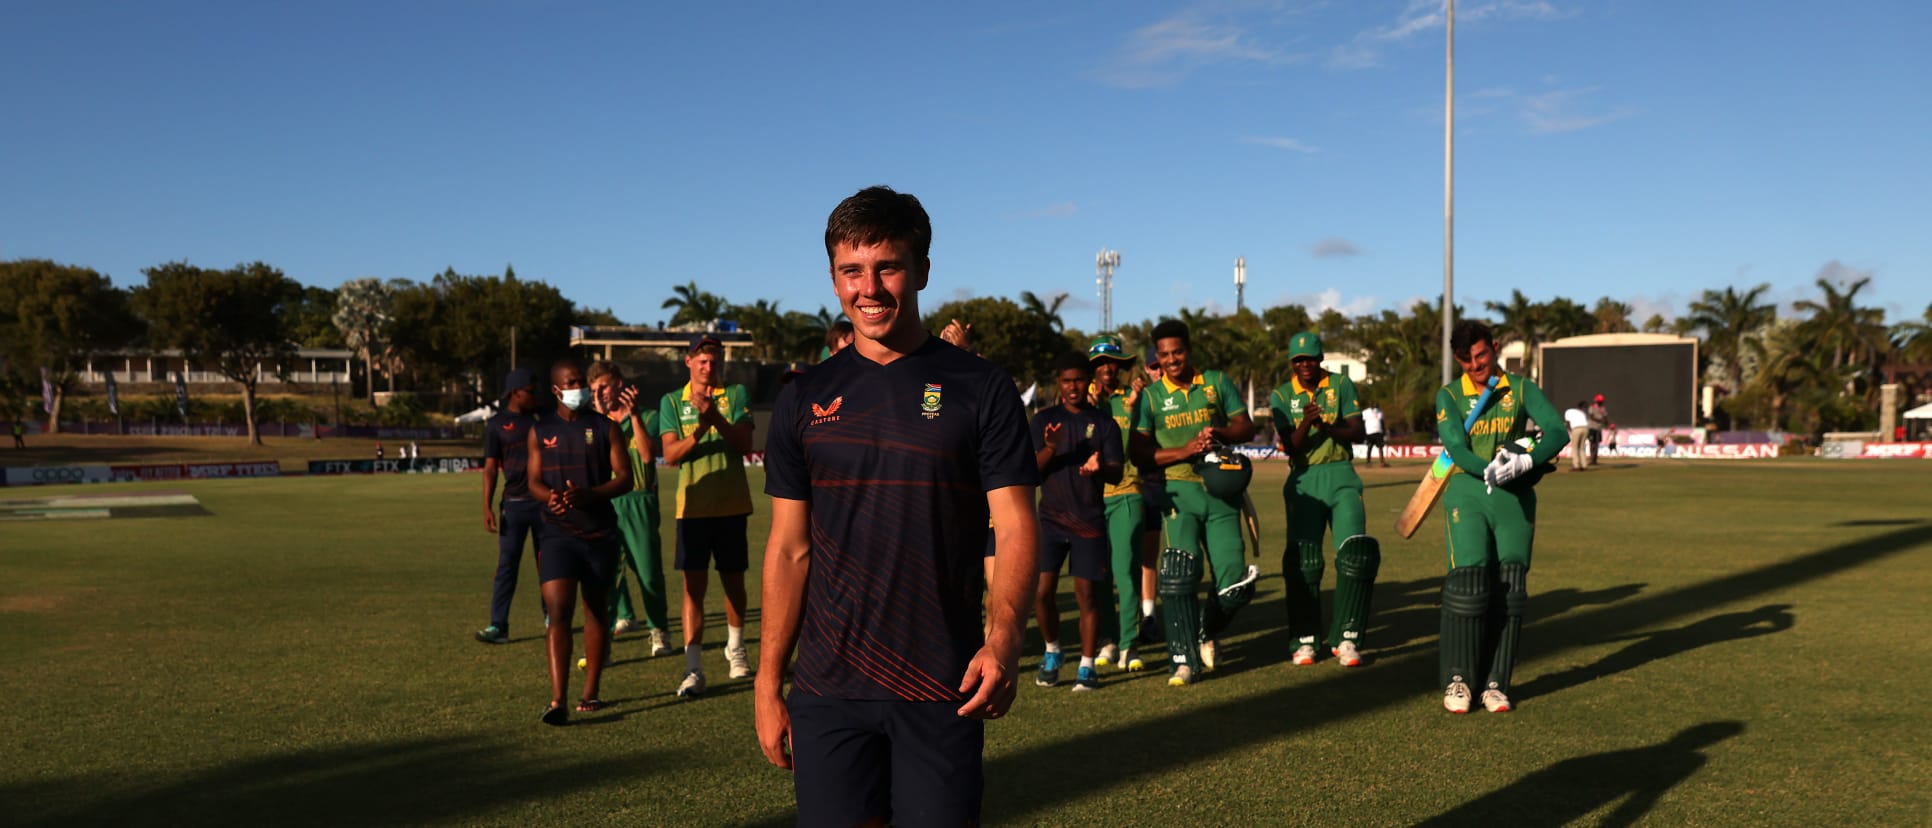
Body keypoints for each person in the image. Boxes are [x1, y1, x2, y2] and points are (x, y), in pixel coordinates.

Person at [756, 186, 1038, 826]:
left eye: (887, 266)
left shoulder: (979, 387)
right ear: (833, 279)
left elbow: (1017, 523)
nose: (870, 288)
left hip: (944, 683)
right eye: (851, 271)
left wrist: (1004, 637)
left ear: (922, 271)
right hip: (829, 690)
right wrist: (768, 682)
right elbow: (788, 548)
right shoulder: (804, 399)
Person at [1433, 320, 1565, 714]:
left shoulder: (1521, 388)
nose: (1476, 366)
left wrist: (1525, 460)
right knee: (1469, 581)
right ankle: (1458, 680)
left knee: (1510, 588)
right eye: (1466, 360)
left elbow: (1557, 432)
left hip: (1515, 492)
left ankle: (1495, 683)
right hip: (1469, 489)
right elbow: (1455, 446)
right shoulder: (1449, 395)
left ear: (1494, 347)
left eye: (1481, 356)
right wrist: (1485, 467)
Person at [1133, 319, 1260, 686]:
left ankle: (1205, 630)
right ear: (1157, 357)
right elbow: (1139, 451)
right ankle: (1184, 660)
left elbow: (1245, 427)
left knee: (1233, 581)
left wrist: (1219, 431)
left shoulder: (1216, 382)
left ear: (1188, 350)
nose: (1172, 360)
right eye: (1164, 355)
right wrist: (1183, 450)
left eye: (1178, 352)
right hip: (1178, 493)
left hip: (1221, 492)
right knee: (1178, 576)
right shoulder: (1152, 397)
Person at [526, 358, 634, 724]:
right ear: (556, 389)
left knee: (596, 610)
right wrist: (548, 497)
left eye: (580, 383)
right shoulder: (540, 430)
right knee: (557, 611)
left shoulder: (604, 428)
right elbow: (534, 481)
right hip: (556, 533)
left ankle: (591, 691)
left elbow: (625, 477)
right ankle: (557, 700)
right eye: (572, 383)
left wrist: (593, 494)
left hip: (599, 532)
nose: (580, 389)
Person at [1268, 332, 1378, 668]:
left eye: (1310, 359)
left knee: (1354, 555)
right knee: (1305, 563)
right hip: (1305, 478)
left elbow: (1358, 432)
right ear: (1292, 363)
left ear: (1320, 359)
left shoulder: (1341, 385)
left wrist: (1326, 427)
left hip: (1342, 473)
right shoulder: (1281, 395)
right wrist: (1306, 422)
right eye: (1298, 360)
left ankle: (1347, 638)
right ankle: (1305, 640)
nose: (1304, 365)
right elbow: (1290, 445)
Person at [658, 334, 757, 698]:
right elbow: (670, 456)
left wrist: (713, 415)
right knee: (693, 590)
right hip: (692, 510)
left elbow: (745, 445)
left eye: (714, 360)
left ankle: (736, 649)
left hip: (732, 505)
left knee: (734, 584)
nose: (708, 366)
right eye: (701, 360)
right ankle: (693, 667)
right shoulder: (672, 401)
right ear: (688, 362)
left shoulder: (735, 395)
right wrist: (701, 427)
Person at [1029, 353, 1123, 691]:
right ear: (1059, 382)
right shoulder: (1042, 421)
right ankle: (1053, 650)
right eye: (1067, 381)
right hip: (1050, 522)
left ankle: (1086, 666)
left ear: (1090, 382)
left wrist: (1102, 468)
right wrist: (1051, 449)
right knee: (1041, 594)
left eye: (1079, 380)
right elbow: (1029, 470)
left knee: (1087, 596)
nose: (1073, 387)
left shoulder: (1104, 423)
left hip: (1088, 522)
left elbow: (1118, 471)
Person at [588, 361, 673, 659]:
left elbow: (649, 456)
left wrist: (633, 414)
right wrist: (598, 415)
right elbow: (592, 455)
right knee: (607, 577)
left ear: (619, 385)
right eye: (594, 389)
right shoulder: (593, 422)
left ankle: (659, 630)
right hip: (607, 502)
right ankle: (605, 644)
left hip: (638, 501)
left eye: (605, 386)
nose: (600, 393)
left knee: (648, 574)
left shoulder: (647, 415)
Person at [1087, 334, 1152, 672]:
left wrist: (1139, 398)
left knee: (1125, 573)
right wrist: (1092, 405)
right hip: (1091, 498)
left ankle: (1130, 644)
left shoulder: (1134, 398)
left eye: (1111, 362)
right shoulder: (1082, 400)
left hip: (1127, 492)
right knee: (1099, 574)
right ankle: (1108, 640)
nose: (1106, 369)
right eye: (1099, 364)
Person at [476, 370, 542, 645]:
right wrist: (487, 507)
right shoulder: (496, 425)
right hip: (513, 506)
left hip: (543, 504)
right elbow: (490, 469)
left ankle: (553, 618)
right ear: (515, 393)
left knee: (548, 565)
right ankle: (498, 625)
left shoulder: (541, 421)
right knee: (506, 567)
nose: (533, 395)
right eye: (529, 390)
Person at [1564, 401, 1591, 471]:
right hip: (1585, 428)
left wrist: (1570, 431)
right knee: (1582, 448)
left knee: (1575, 448)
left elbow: (1568, 423)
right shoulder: (1581, 413)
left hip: (1576, 428)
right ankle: (1584, 465)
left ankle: (1576, 465)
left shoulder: (1568, 411)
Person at [1361, 399, 1389, 467]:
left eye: (1374, 404)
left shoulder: (1379, 412)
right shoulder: (1365, 412)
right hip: (1369, 432)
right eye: (1372, 404)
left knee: (1380, 447)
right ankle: (1368, 462)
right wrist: (1363, 432)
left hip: (1378, 432)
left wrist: (1384, 431)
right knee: (1369, 447)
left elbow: (1382, 422)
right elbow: (1362, 422)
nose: (1373, 406)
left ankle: (1382, 462)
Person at [1587, 394, 1611, 465]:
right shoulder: (1592, 407)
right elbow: (1591, 417)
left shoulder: (1603, 408)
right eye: (1599, 401)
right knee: (1592, 444)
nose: (1601, 402)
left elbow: (1605, 417)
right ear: (1596, 401)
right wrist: (1600, 420)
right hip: (1592, 428)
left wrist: (1606, 423)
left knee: (1597, 444)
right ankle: (1591, 459)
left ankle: (1595, 460)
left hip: (1598, 429)